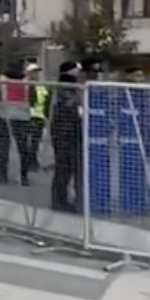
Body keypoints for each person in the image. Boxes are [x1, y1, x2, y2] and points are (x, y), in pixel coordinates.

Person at [49, 61, 85, 211]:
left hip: (72, 132)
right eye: (76, 70)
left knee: (72, 168)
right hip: (63, 133)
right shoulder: (63, 88)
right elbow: (66, 107)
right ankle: (59, 200)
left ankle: (69, 200)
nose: (78, 73)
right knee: (64, 168)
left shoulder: (73, 87)